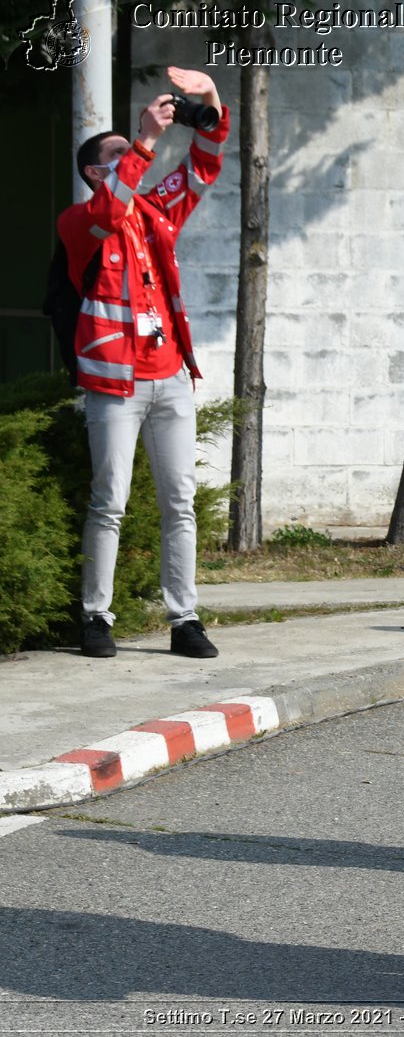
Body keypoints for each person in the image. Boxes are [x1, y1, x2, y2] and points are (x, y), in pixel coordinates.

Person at [62, 67, 227, 660]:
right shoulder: (81, 222)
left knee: (179, 502)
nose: (134, 155)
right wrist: (146, 139)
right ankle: (94, 617)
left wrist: (206, 99)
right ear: (94, 171)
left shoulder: (158, 212)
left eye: (131, 149)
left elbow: (204, 165)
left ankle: (184, 620)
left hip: (169, 379)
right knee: (110, 500)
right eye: (118, 153)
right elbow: (109, 213)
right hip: (115, 384)